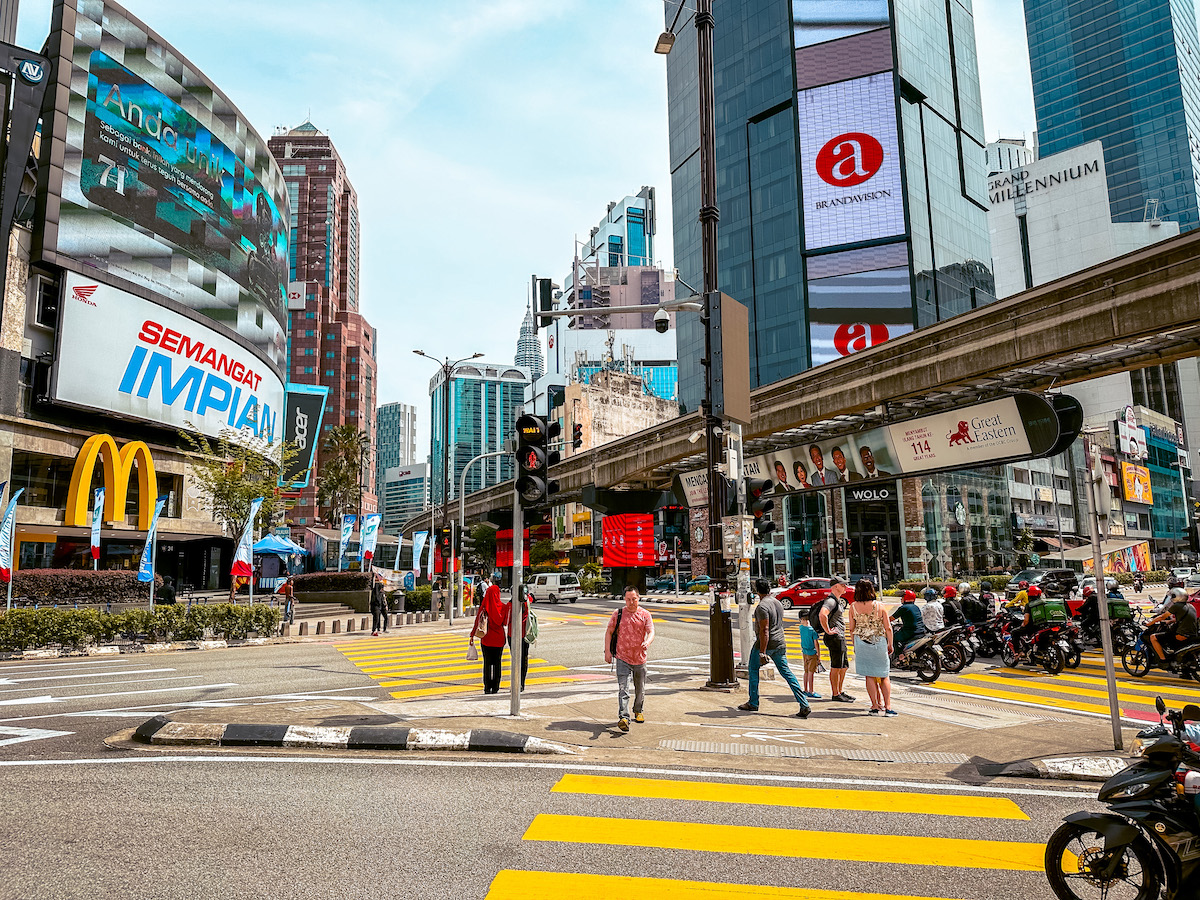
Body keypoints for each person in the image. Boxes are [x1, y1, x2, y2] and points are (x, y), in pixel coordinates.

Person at [737, 579, 811, 718]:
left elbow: (764, 630)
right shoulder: (777, 603)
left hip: (766, 643)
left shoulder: (762, 607)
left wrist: (762, 652)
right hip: (780, 642)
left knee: (753, 670)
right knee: (787, 673)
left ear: (757, 591)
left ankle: (753, 702)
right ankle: (804, 703)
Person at [603, 585, 655, 731]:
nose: (631, 602)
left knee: (640, 689)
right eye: (628, 599)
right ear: (624, 600)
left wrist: (647, 642)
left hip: (639, 658)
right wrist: (607, 652)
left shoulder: (645, 614)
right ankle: (624, 717)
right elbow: (609, 632)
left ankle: (638, 711)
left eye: (634, 599)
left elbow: (651, 631)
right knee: (623, 688)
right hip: (622, 657)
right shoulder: (618, 614)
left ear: (638, 598)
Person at [847, 578, 895, 716]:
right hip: (878, 642)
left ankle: (874, 706)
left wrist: (855, 645)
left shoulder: (853, 607)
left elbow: (851, 629)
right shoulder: (879, 606)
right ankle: (888, 707)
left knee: (869, 676)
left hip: (861, 643)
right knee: (884, 675)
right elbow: (888, 627)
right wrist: (890, 644)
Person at [817, 575, 853, 701]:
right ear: (836, 586)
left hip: (840, 637)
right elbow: (823, 614)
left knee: (844, 666)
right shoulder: (831, 601)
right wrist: (828, 630)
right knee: (836, 666)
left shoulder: (837, 600)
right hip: (835, 638)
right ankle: (835, 693)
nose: (845, 587)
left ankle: (840, 691)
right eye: (843, 585)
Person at [472, 574, 508, 694]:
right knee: (497, 663)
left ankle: (487, 687)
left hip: (486, 639)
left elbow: (477, 621)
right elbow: (505, 622)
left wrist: (472, 635)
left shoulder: (484, 607)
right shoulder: (503, 607)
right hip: (499, 640)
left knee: (487, 663)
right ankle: (496, 687)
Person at [1147, 588, 1200, 662]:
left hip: (1181, 635)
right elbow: (1185, 618)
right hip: (1193, 634)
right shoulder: (1191, 606)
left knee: (1153, 637)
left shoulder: (1177, 606)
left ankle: (1163, 659)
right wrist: (1170, 621)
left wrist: (1150, 623)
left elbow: (1163, 616)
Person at [798, 612, 822, 699]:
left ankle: (805, 689)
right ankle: (811, 691)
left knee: (806, 671)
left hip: (804, 652)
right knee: (811, 672)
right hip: (812, 653)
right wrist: (819, 655)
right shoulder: (813, 630)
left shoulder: (801, 628)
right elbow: (816, 643)